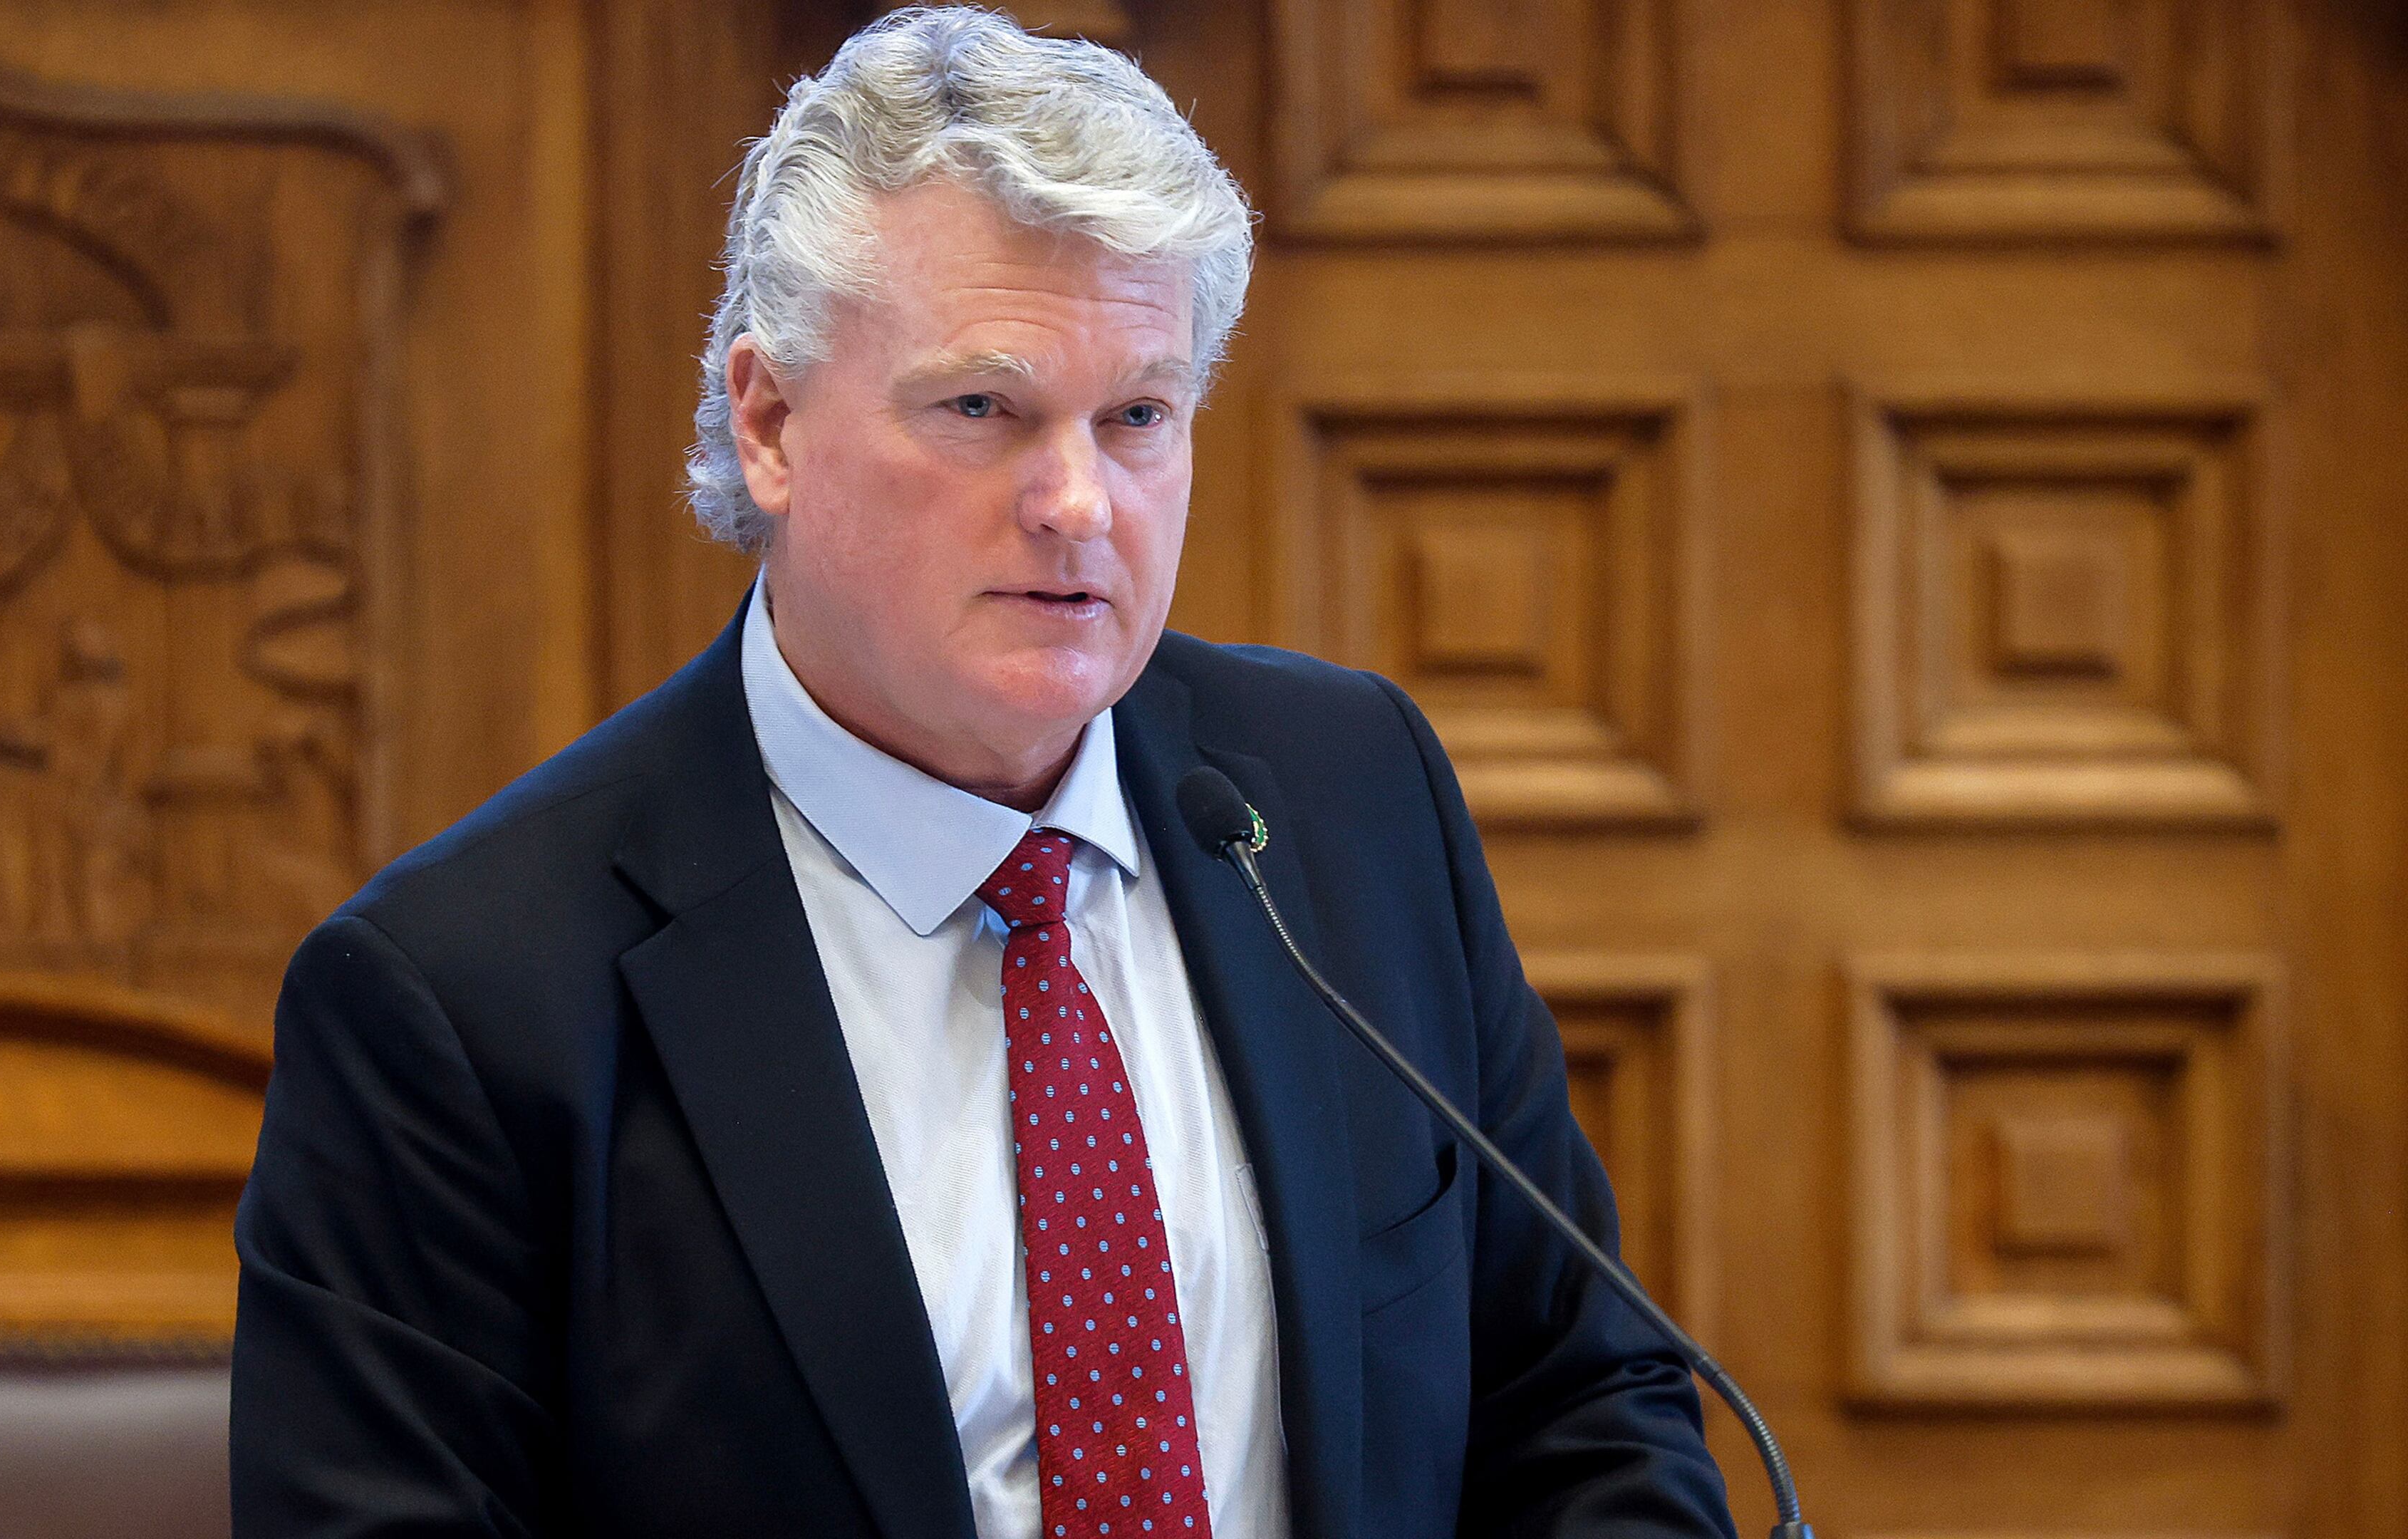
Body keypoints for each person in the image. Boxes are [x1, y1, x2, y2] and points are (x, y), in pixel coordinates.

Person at [229, 9, 1734, 1537]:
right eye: (983, 411)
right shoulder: (460, 997)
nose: (1080, 503)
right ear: (768, 421)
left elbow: (1581, 1401)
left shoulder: (1347, 801)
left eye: (1138, 416)